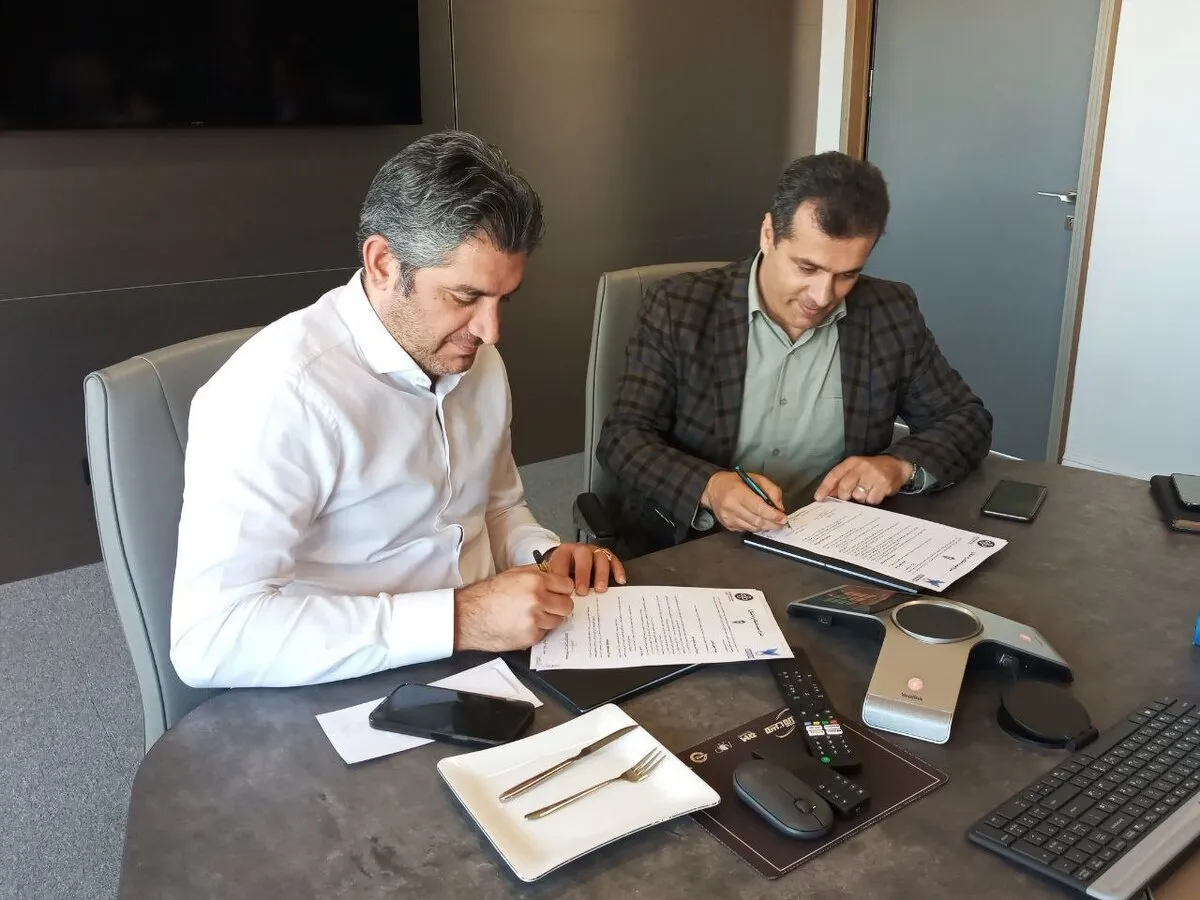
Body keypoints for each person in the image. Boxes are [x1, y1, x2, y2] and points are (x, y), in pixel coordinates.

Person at [171, 130, 624, 689]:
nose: (491, 331)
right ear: (384, 262)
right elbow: (209, 640)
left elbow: (498, 507)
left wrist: (542, 556)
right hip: (349, 685)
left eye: (503, 299)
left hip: (495, 658)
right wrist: (461, 619)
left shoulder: (479, 363)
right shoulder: (276, 394)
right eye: (464, 297)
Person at [596, 151, 992, 554]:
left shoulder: (889, 311)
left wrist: (898, 466)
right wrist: (709, 487)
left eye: (847, 275)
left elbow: (966, 419)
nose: (822, 296)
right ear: (768, 234)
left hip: (835, 544)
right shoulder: (680, 307)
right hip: (700, 543)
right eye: (807, 268)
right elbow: (623, 438)